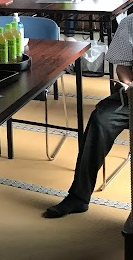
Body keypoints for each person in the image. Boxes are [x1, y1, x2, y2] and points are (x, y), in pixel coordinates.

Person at [44, 13, 133, 219]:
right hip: (131, 98)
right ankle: (79, 196)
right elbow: (122, 66)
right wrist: (129, 87)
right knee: (101, 119)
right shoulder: (130, 23)